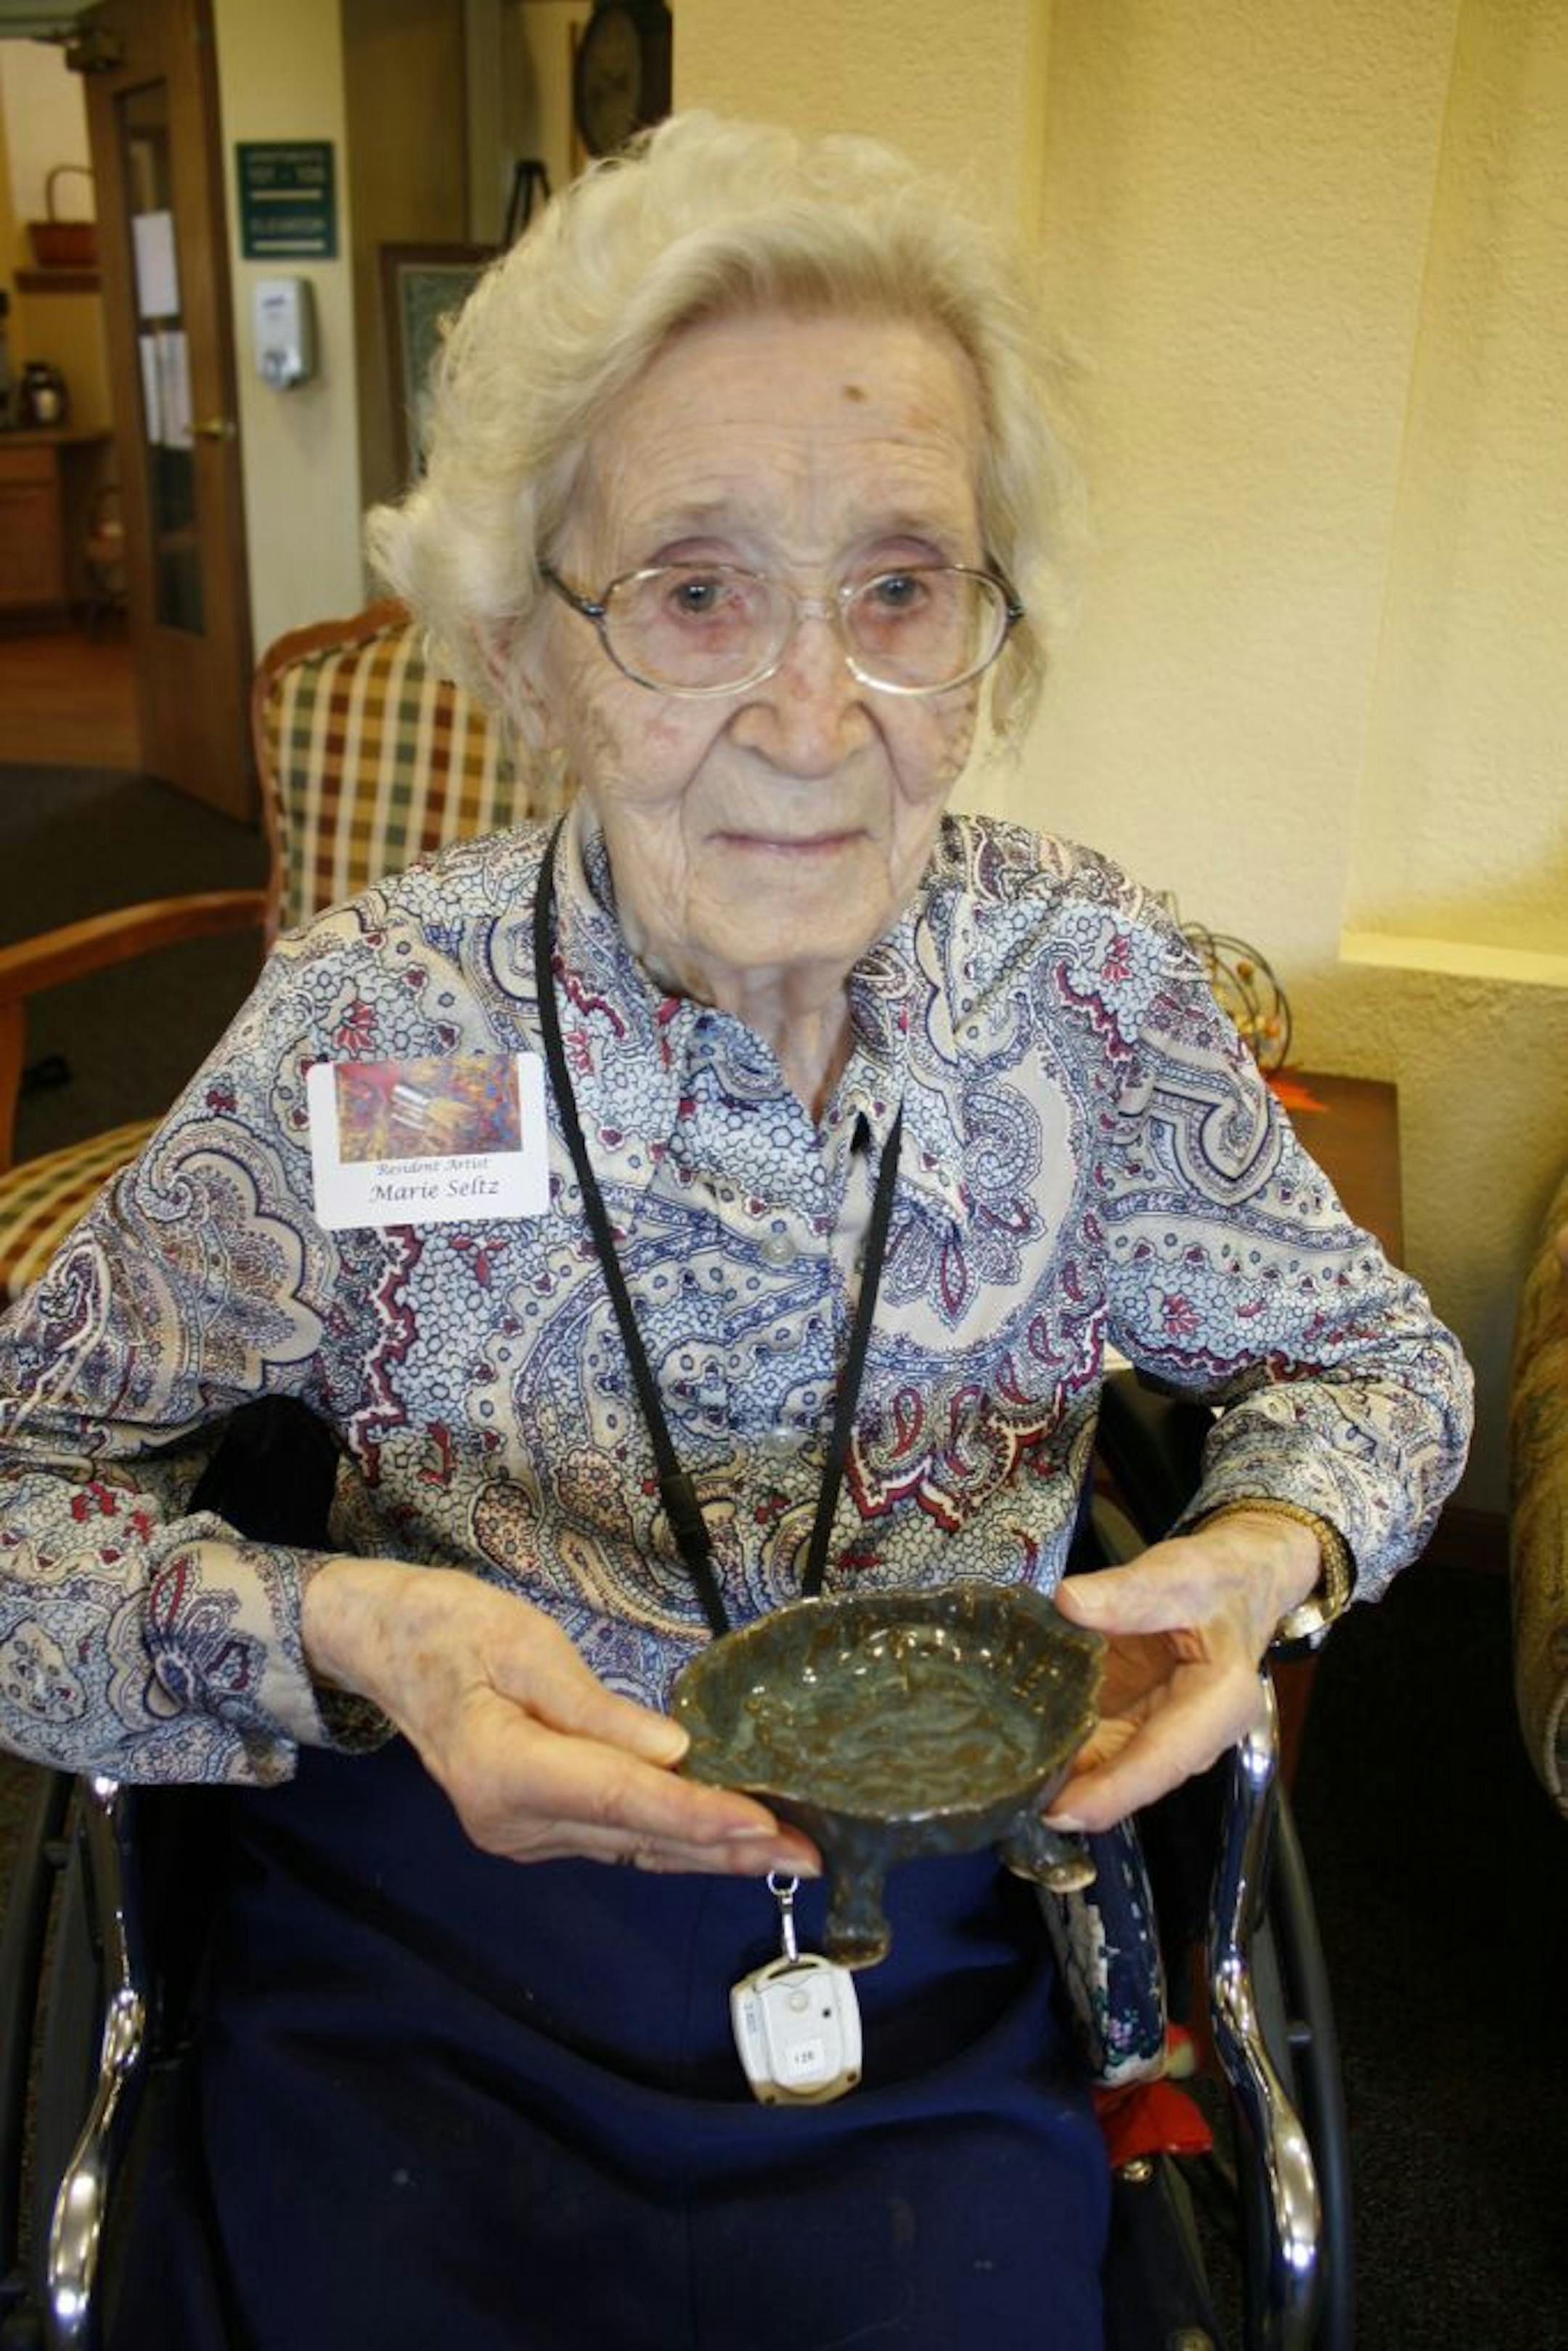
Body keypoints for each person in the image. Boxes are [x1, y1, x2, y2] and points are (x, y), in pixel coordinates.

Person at [0, 113, 1470, 2350]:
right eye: (696, 590)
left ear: (991, 634)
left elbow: (1382, 1368)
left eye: (899, 590)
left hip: (959, 1933)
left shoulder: (1092, 996)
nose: (813, 717)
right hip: (443, 1926)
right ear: (528, 651)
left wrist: (1270, 1550)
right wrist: (346, 1636)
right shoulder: (376, 1023)